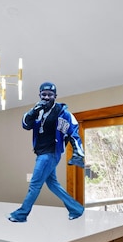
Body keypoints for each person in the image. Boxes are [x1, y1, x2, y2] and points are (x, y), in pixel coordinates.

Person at [8, 82, 85, 222]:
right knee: (53, 184)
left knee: (34, 184)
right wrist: (33, 111)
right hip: (41, 153)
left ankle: (21, 214)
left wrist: (78, 152)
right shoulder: (39, 111)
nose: (47, 97)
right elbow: (26, 124)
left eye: (50, 95)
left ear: (55, 96)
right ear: (40, 95)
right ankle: (76, 209)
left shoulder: (63, 113)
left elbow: (74, 132)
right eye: (44, 94)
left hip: (50, 153)